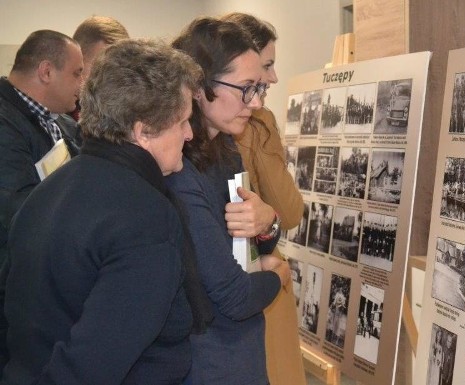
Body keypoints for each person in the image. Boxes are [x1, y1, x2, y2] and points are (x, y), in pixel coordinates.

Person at [0, 39, 203, 384]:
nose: (189, 133)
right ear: (143, 131)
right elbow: (92, 364)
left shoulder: (50, 188)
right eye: (182, 121)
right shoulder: (144, 214)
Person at [169, 17, 290, 385]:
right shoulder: (177, 168)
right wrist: (279, 275)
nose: (254, 103)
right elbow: (234, 295)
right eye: (245, 88)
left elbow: (253, 242)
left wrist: (268, 222)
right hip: (207, 356)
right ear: (199, 86)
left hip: (241, 346)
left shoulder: (225, 147)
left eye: (258, 89)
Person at [218, 14, 305, 382]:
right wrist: (263, 126)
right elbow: (288, 211)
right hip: (253, 285)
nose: (272, 78)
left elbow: (278, 216)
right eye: (266, 66)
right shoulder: (249, 126)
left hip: (254, 280)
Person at [0, 30, 83, 266]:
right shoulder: (4, 123)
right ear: (46, 71)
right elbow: (17, 210)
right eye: (77, 74)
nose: (82, 84)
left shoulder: (62, 122)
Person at [69, 16, 129, 122]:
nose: (114, 77)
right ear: (77, 59)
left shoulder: (129, 115)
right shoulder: (51, 115)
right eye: (102, 67)